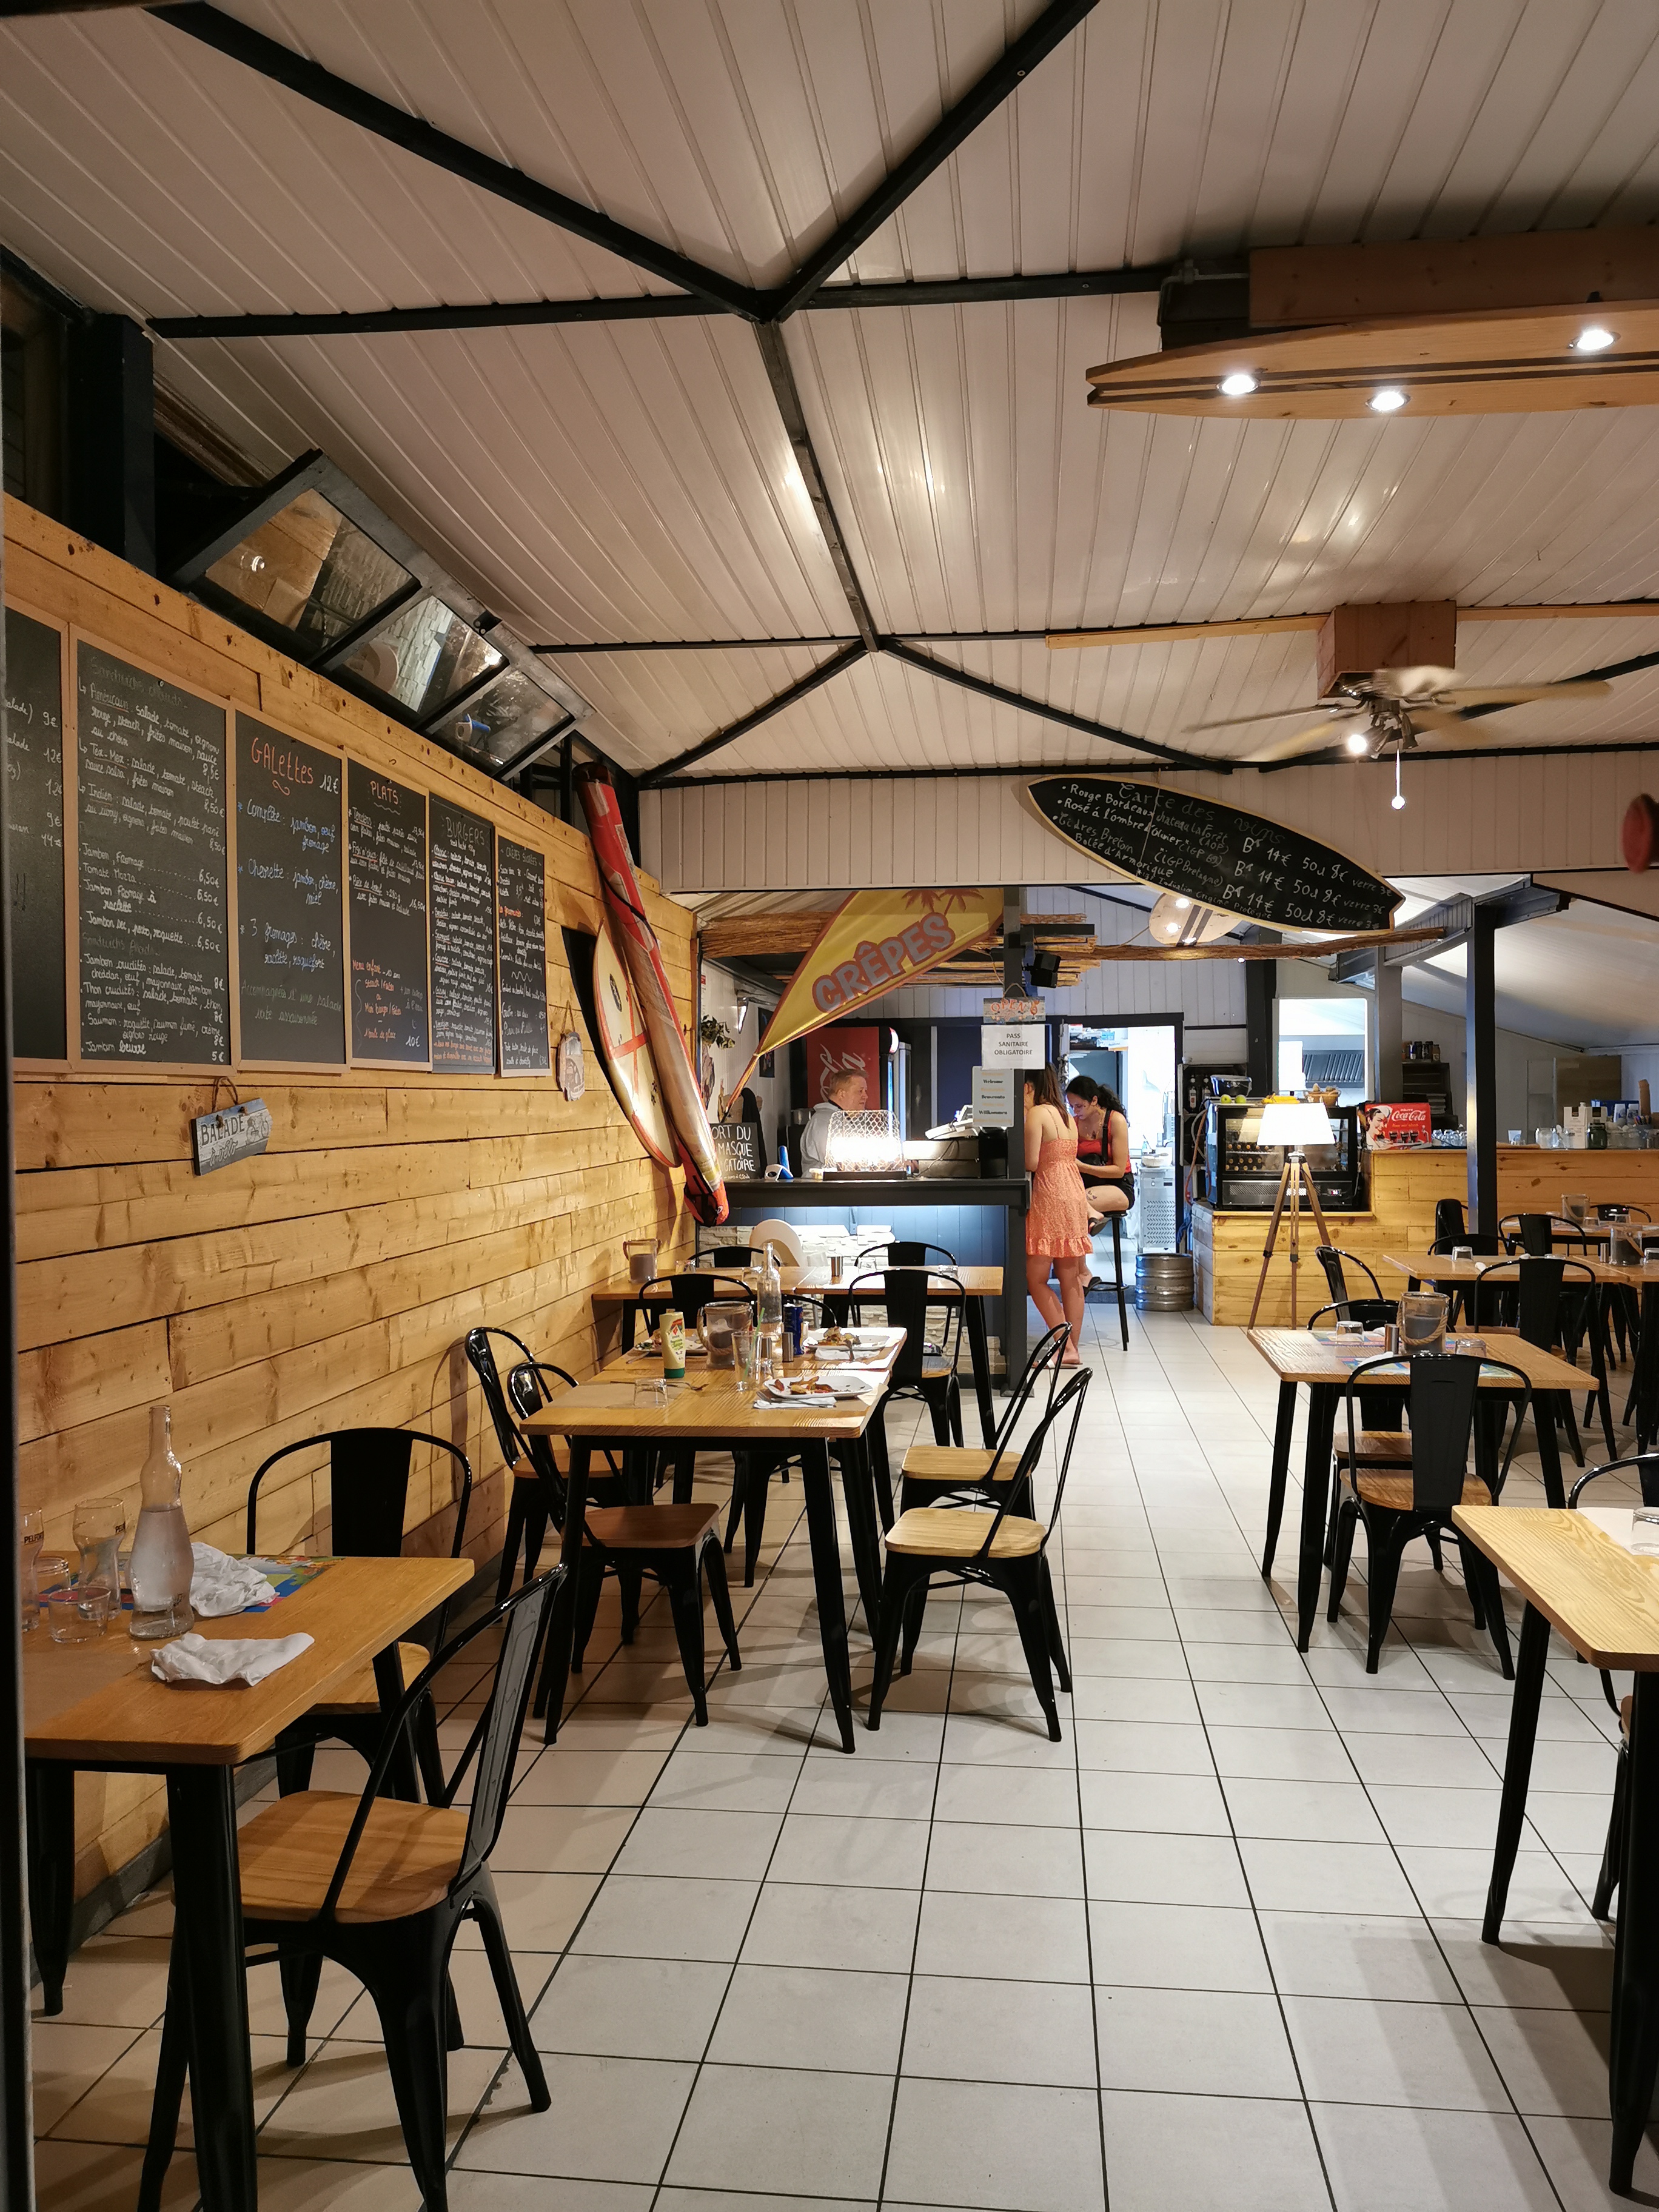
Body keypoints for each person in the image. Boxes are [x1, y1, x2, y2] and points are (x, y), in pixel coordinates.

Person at [1025, 1063, 1093, 1365]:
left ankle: (1064, 1348)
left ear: (1028, 1086)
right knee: (1071, 1278)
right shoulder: (1066, 1115)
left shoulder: (1038, 1114)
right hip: (1073, 1193)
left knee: (1037, 1279)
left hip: (1049, 1195)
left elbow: (1030, 1162)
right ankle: (1071, 1349)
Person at [1076, 1081, 1135, 1224]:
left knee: (1077, 1204)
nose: (1076, 1111)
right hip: (1086, 1182)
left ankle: (1091, 1220)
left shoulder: (1116, 1120)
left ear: (1094, 1101)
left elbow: (1119, 1171)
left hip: (1119, 1184)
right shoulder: (1074, 1123)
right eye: (1072, 1107)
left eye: (1079, 1106)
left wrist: (1082, 1167)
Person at [800, 1067, 868, 1173]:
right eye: (860, 1091)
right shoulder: (824, 1121)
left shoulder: (849, 1119)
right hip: (825, 1183)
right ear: (842, 1094)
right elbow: (839, 1165)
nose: (865, 1096)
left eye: (865, 1091)